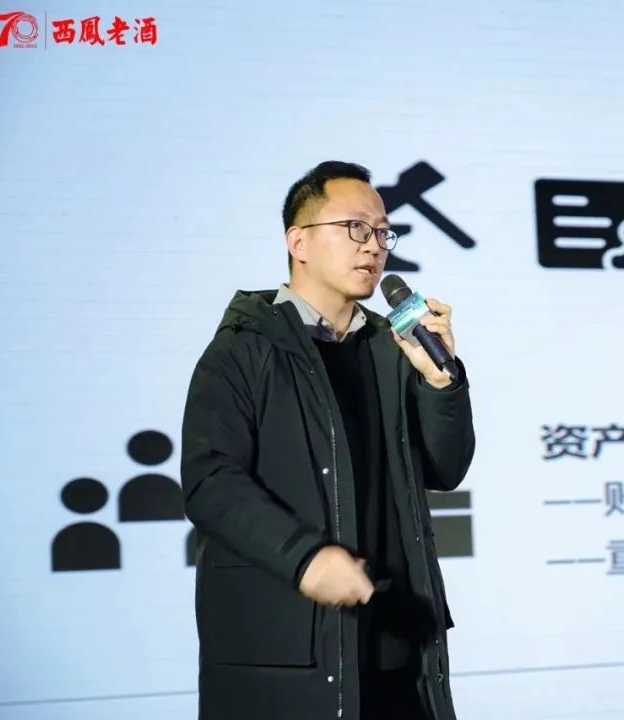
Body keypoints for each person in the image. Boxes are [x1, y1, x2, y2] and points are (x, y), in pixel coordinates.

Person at [180, 160, 475, 720]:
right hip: (289, 655)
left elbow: (446, 469)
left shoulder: (394, 347)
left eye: (383, 232)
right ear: (299, 243)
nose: (374, 246)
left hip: (398, 650)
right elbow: (210, 482)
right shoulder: (244, 347)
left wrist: (442, 383)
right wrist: (306, 558)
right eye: (355, 228)